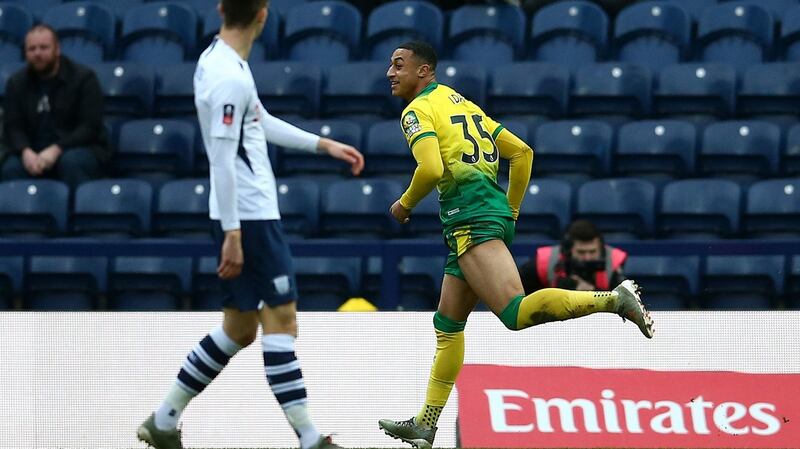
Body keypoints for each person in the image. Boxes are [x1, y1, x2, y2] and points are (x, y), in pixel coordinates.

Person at [377, 41, 654, 449]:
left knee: (514, 313)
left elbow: (432, 168)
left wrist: (404, 204)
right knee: (448, 327)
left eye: (398, 64)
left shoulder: (417, 110)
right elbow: (522, 153)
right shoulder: (465, 106)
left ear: (424, 71)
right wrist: (512, 210)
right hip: (483, 217)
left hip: (468, 218)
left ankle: (612, 300)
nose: (390, 72)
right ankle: (426, 423)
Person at [136, 2, 364, 449]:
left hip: (240, 215)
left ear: (222, 9)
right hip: (251, 217)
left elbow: (258, 122)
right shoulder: (228, 76)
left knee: (239, 328)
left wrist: (323, 145)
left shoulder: (218, 62)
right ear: (263, 14)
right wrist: (234, 234)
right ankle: (310, 438)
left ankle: (163, 421)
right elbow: (221, 160)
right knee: (282, 317)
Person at [1, 24, 108, 187]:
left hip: (77, 147)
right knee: (10, 167)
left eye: (44, 48)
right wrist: (25, 151)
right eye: (32, 49)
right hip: (34, 149)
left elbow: (90, 127)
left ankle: (75, 211)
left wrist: (57, 149)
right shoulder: (16, 83)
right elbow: (13, 126)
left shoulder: (84, 78)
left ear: (57, 49)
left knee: (71, 161)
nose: (37, 53)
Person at [518, 219, 628, 294]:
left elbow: (624, 304)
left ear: (601, 249)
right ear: (568, 250)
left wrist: (593, 292)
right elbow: (520, 294)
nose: (587, 258)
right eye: (581, 252)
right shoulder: (546, 260)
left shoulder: (613, 262)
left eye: (592, 252)